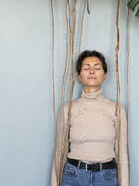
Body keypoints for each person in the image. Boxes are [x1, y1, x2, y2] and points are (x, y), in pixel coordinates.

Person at [51, 50, 129, 186]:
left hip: (106, 177)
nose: (92, 71)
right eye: (86, 68)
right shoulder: (67, 109)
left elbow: (122, 153)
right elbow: (60, 151)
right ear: (79, 76)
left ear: (105, 75)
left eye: (97, 67)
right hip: (73, 176)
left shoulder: (117, 109)